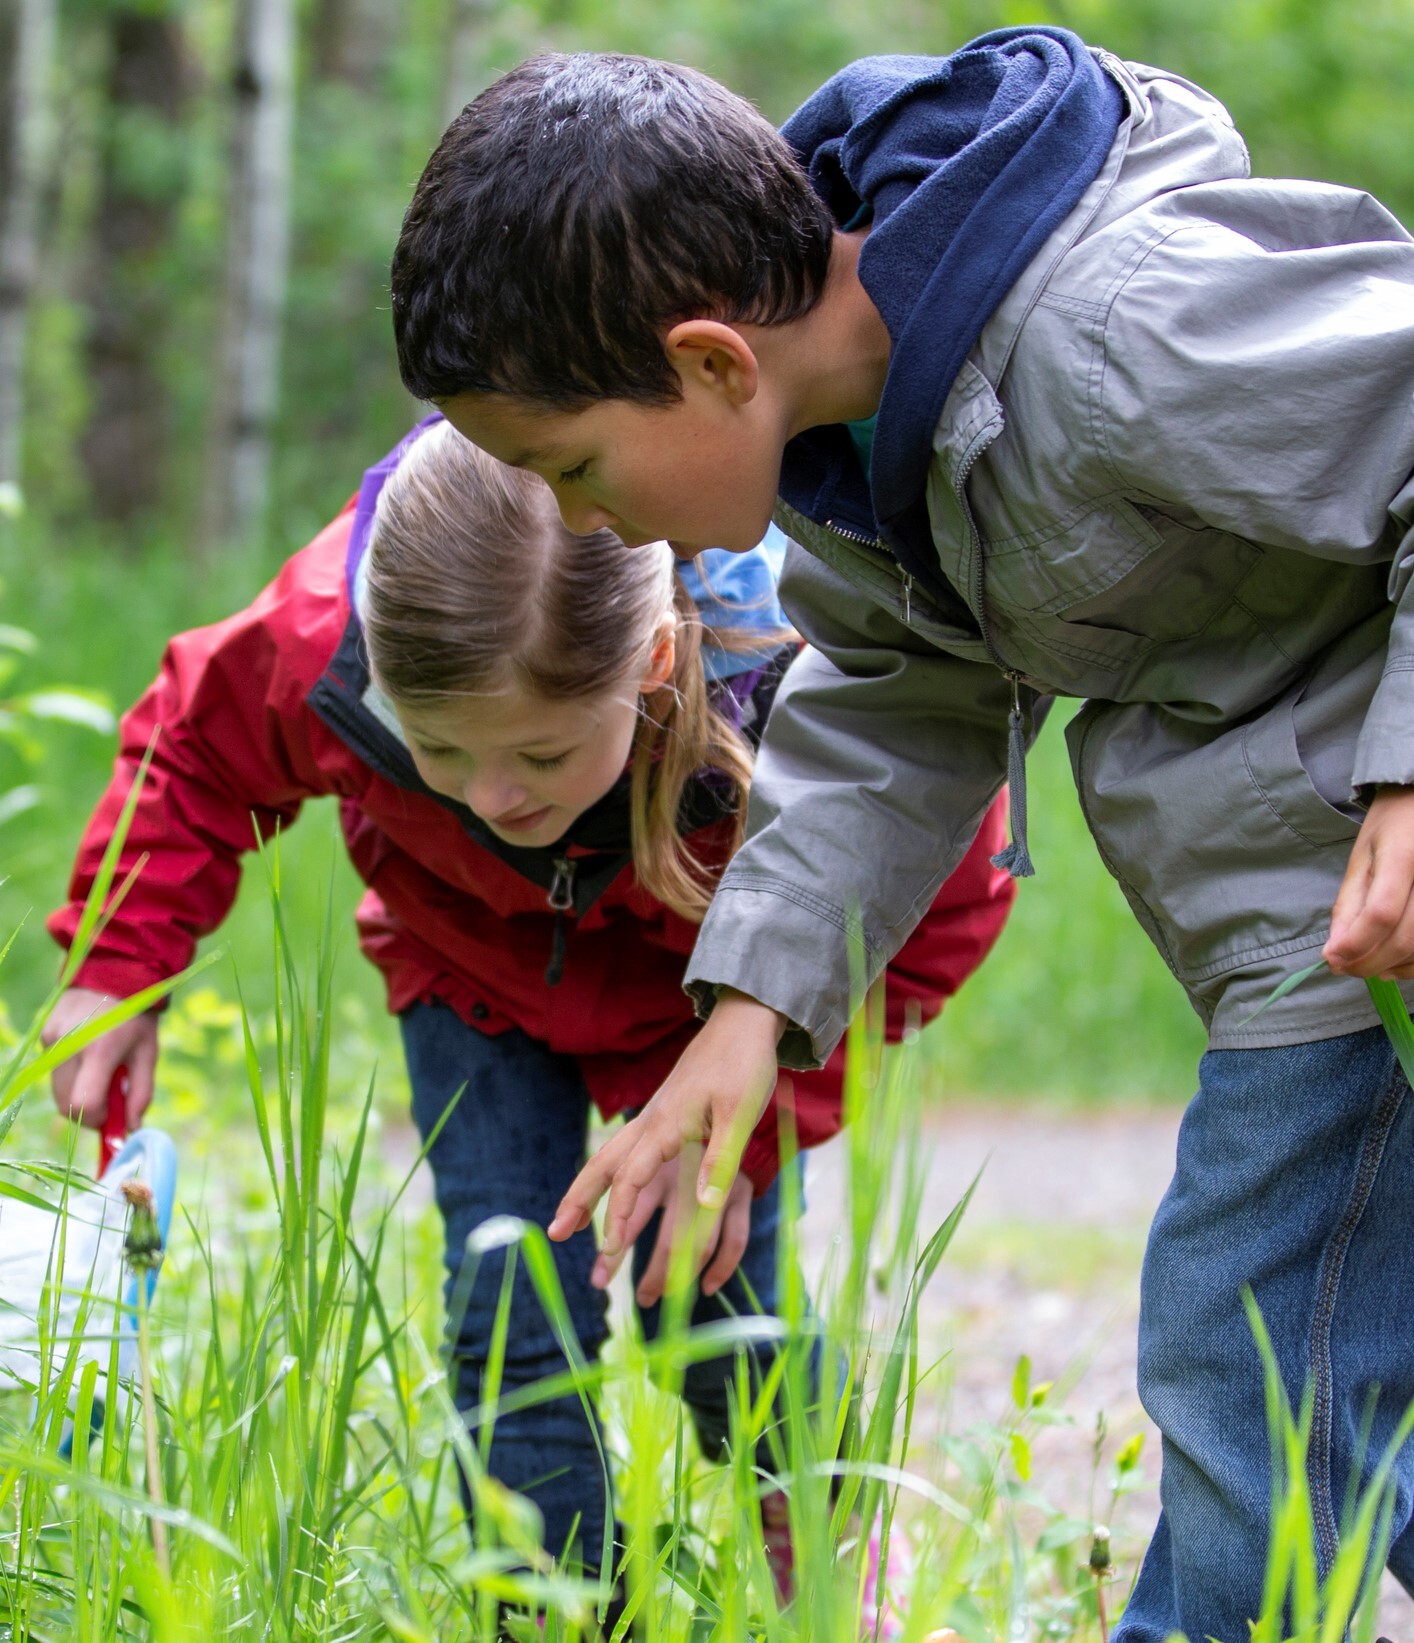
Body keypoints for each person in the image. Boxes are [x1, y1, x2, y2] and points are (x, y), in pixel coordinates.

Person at [385, 30, 1414, 1640]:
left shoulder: (1116, 327)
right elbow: (899, 695)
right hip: (1316, 918)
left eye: (569, 464)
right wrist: (745, 1015)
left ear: (713, 359)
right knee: (1339, 1369)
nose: (576, 520)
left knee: (1254, 1345)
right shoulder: (859, 448)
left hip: (1355, 888)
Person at [41, 417, 1013, 1623]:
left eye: (541, 754)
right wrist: (116, 963)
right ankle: (559, 1605)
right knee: (510, 1303)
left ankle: (819, 1518)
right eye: (438, 748)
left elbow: (945, 884)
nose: (494, 797)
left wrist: (763, 1114)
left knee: (710, 1307)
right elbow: (195, 749)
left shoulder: (787, 687)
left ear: (653, 663)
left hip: (712, 1018)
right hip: (471, 980)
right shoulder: (326, 643)